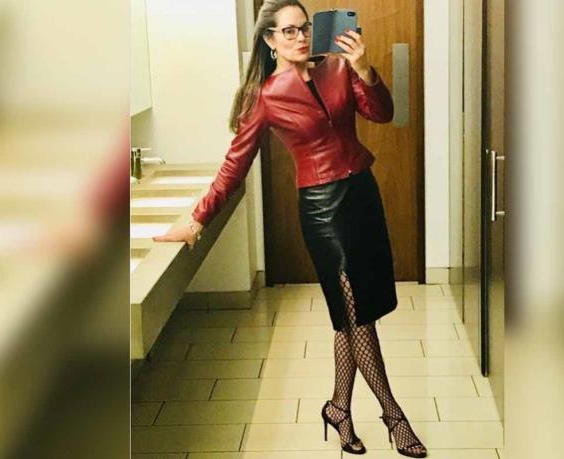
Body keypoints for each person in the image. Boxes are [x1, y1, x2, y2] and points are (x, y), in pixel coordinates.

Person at [153, 1, 427, 457]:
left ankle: (338, 409)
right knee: (357, 315)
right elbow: (234, 166)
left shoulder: (338, 67)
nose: (300, 37)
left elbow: (382, 113)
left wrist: (364, 69)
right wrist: (196, 219)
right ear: (269, 40)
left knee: (353, 316)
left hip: (362, 195)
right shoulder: (264, 97)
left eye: (305, 28)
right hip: (323, 212)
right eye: (289, 31)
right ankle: (394, 415)